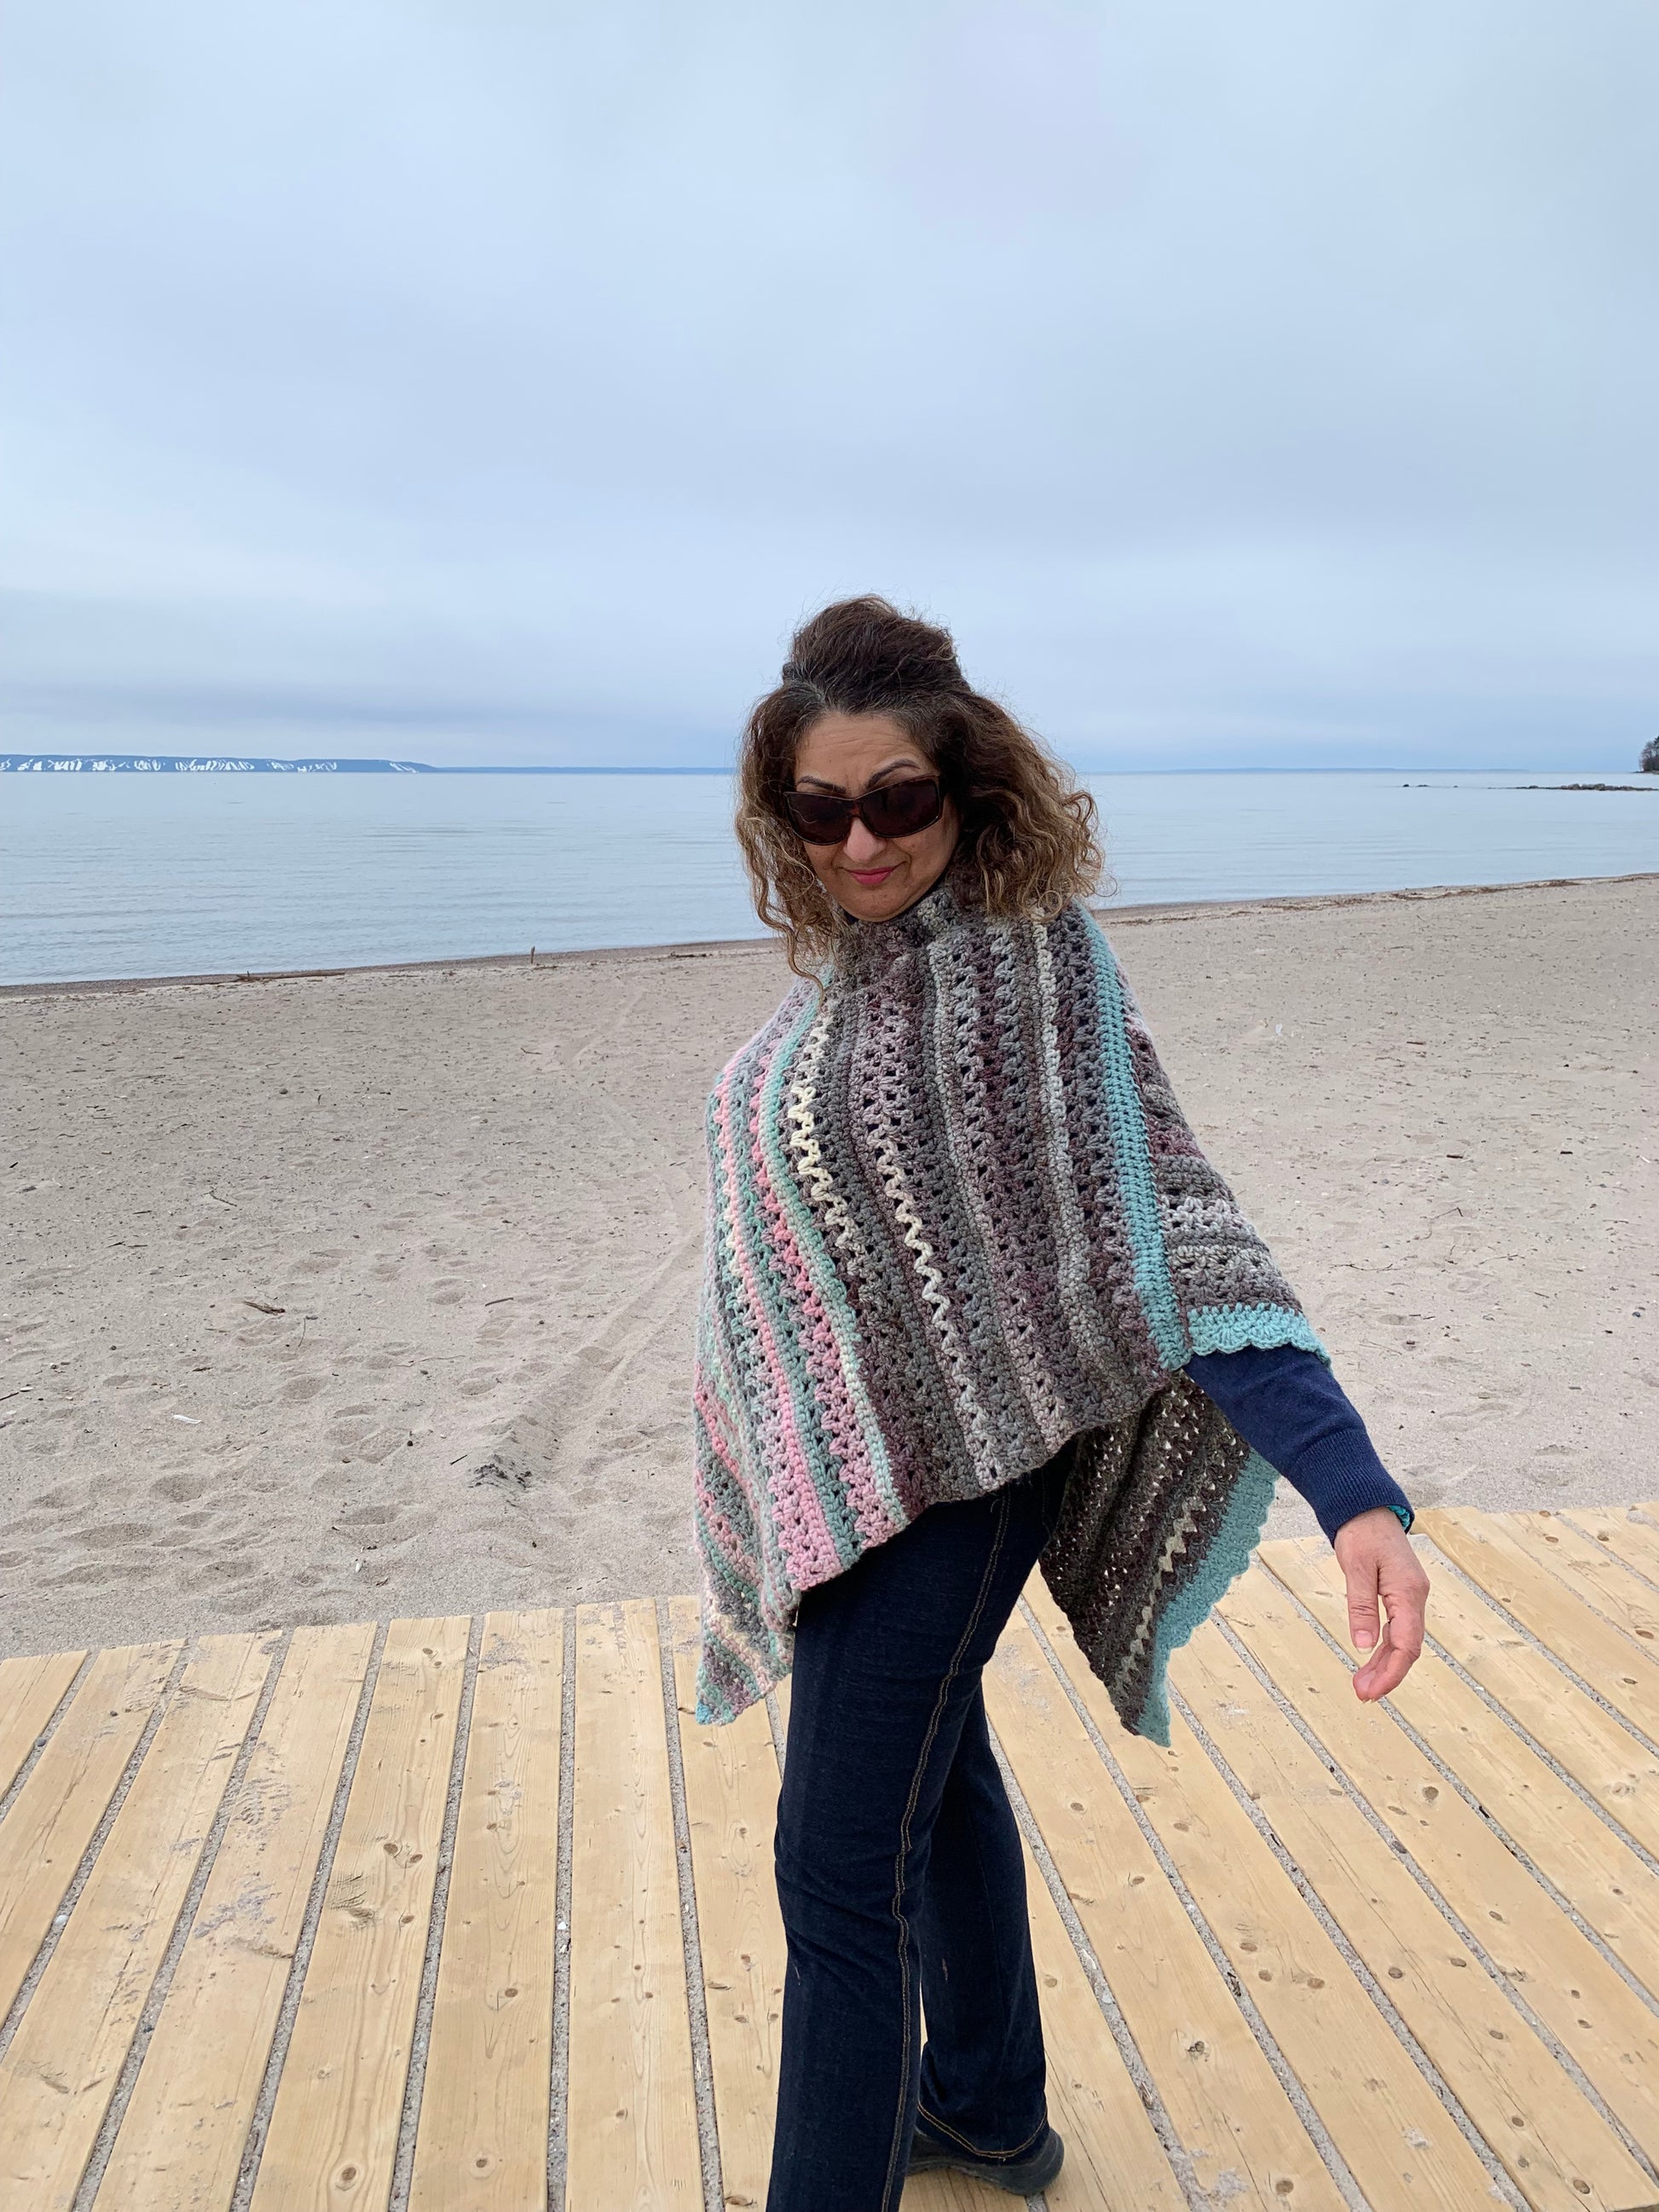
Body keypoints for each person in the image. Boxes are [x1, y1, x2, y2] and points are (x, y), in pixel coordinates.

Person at [691, 597, 1429, 2211]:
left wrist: (1352, 1491)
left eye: (897, 798)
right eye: (820, 809)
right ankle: (988, 2110)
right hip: (862, 1475)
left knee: (834, 1874)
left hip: (967, 1491)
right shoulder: (856, 972)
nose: (860, 840)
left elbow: (1177, 1249)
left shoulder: (1028, 980)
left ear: (967, 789)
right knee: (936, 1781)